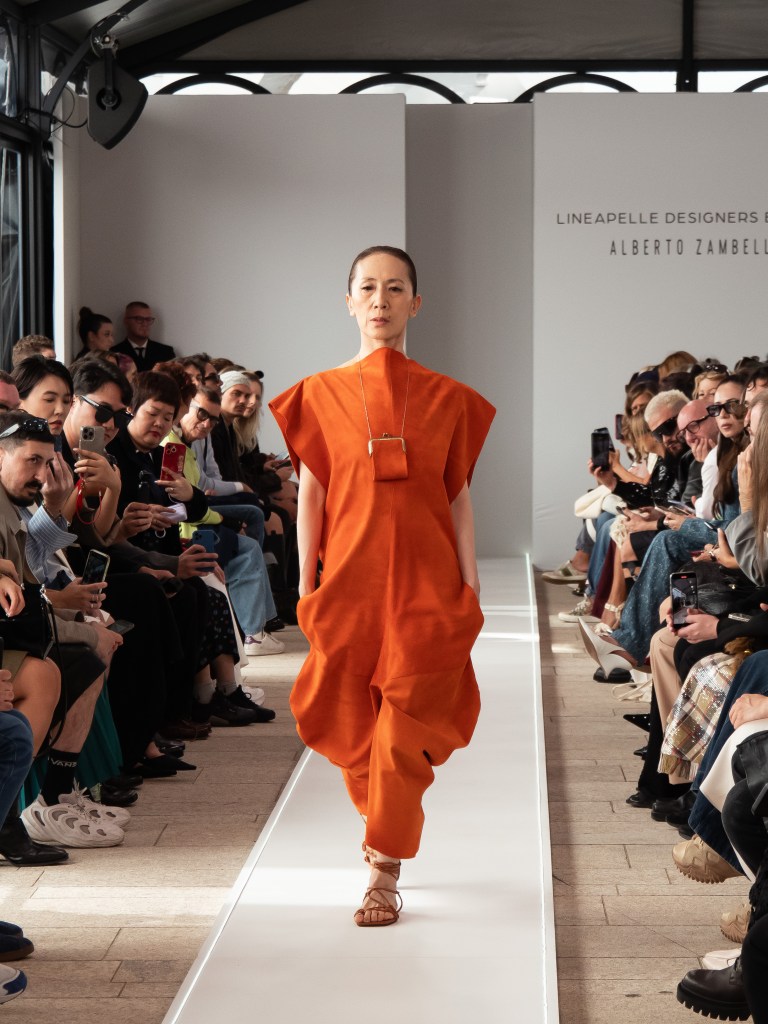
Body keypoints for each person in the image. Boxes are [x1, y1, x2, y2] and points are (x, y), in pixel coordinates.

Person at [270, 245, 495, 927]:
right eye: (367, 287)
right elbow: (311, 495)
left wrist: (470, 582)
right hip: (348, 582)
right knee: (353, 719)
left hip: (427, 583)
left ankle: (383, 866)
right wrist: (305, 583)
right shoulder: (317, 395)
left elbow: (457, 496)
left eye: (395, 288)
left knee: (404, 725)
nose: (380, 300)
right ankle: (383, 830)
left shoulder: (449, 399)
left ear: (415, 304)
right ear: (349, 302)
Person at [111, 302, 175, 371]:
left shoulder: (166, 352)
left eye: (148, 319)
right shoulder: (113, 354)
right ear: (126, 321)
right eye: (139, 319)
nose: (145, 323)